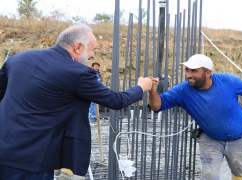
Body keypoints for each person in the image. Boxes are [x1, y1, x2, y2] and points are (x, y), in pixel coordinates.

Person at [0, 23, 152, 179]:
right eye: (92, 50)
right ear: (78, 47)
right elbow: (116, 100)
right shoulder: (79, 73)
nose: (92, 55)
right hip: (32, 159)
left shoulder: (18, 59)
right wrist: (141, 87)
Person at [148, 54, 242, 180]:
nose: (188, 75)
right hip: (211, 138)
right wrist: (152, 91)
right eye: (187, 70)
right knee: (209, 175)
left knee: (239, 171)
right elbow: (157, 106)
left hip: (241, 137)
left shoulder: (227, 81)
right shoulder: (182, 90)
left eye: (194, 71)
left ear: (208, 72)